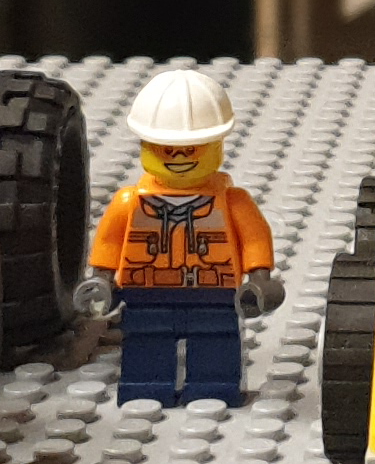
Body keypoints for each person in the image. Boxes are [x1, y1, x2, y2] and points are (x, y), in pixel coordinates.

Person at [81, 68, 281, 406]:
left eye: (192, 149)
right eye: (166, 149)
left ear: (216, 145)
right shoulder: (129, 202)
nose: (179, 158)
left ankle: (214, 387)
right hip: (146, 291)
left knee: (216, 340)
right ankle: (146, 387)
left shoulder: (233, 201)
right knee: (146, 341)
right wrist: (102, 278)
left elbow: (254, 239)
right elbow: (110, 243)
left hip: (215, 292)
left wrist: (260, 278)